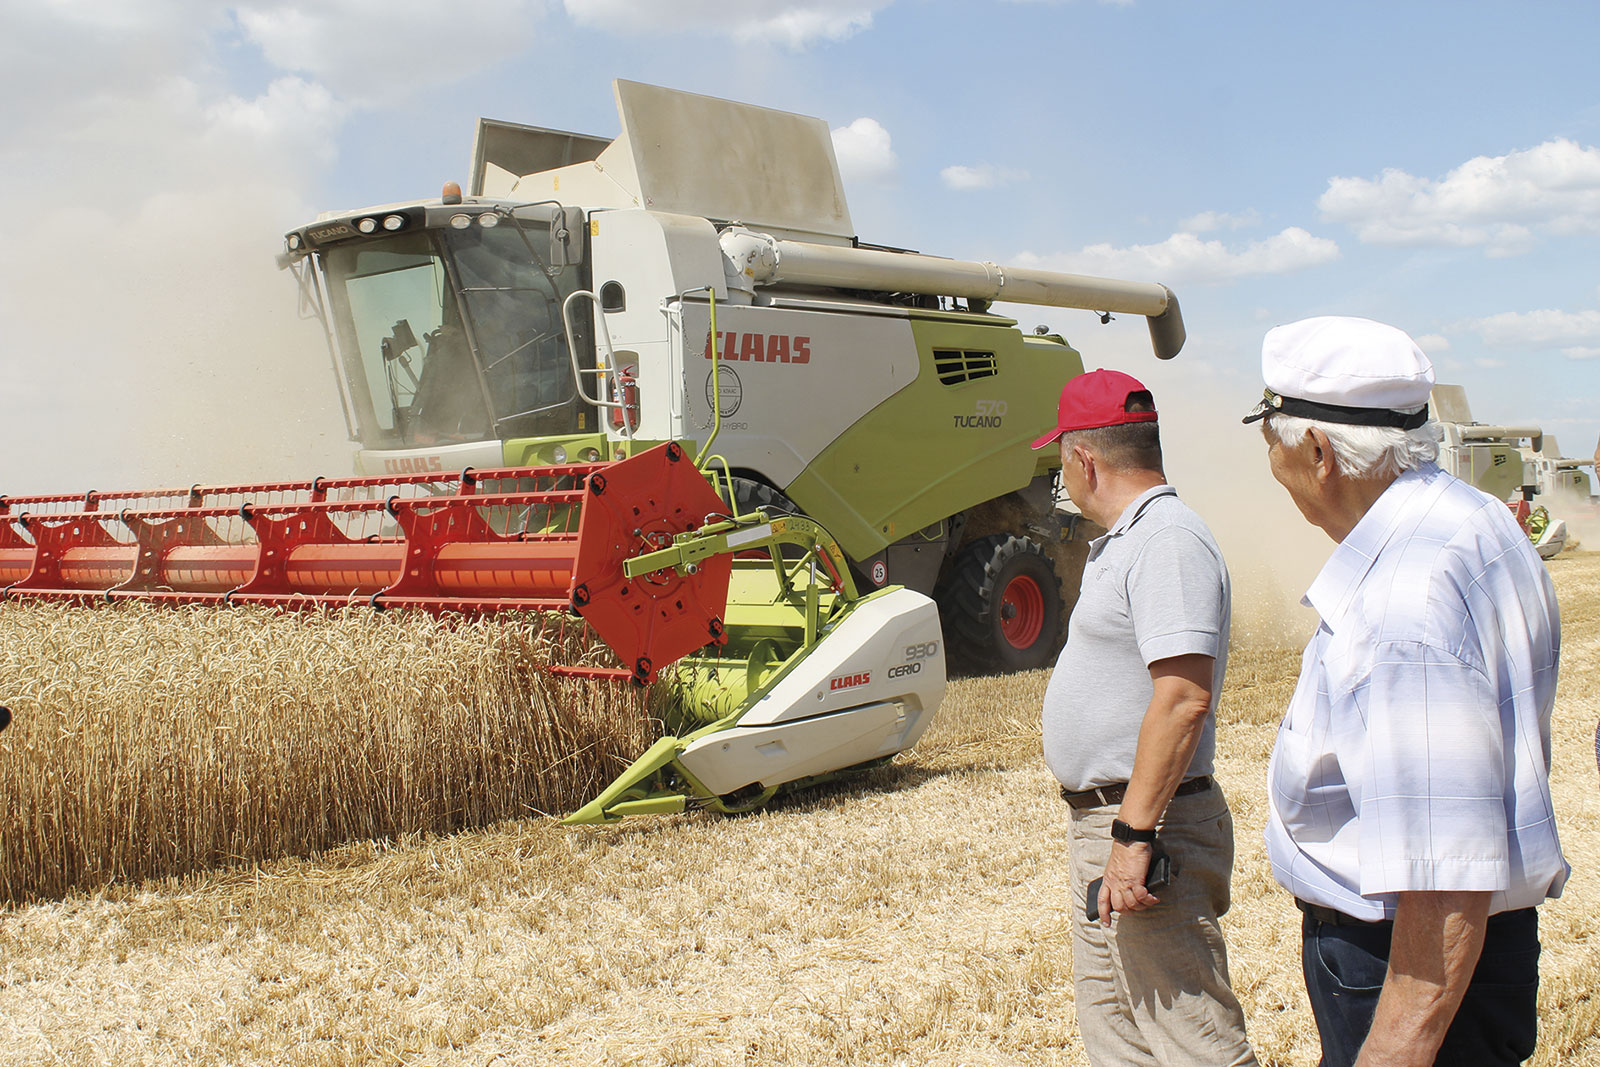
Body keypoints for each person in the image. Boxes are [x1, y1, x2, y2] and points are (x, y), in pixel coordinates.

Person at [1244, 316, 1568, 1067]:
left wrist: (1392, 1048)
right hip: (1472, 962)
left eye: (1271, 439)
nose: (1269, 461)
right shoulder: (1474, 519)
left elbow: (1444, 882)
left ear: (1319, 451)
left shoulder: (1402, 603)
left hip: (1403, 965)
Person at [1034, 369, 1257, 1067]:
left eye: (1061, 459)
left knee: (1193, 1041)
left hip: (1147, 826)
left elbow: (1184, 696)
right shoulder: (1135, 540)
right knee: (1122, 1040)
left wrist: (1133, 833)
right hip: (1110, 820)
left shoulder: (1167, 542)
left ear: (1085, 459)